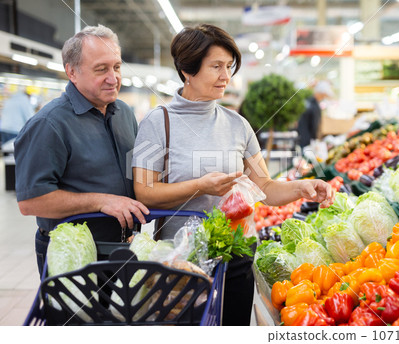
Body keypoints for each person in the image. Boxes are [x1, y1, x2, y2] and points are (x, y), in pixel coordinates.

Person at [132, 24, 335, 326]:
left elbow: (264, 185)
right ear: (187, 70)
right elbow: (144, 192)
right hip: (183, 260)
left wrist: (301, 187)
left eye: (228, 66)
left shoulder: (238, 124)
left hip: (236, 256)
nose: (226, 76)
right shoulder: (156, 123)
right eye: (216, 66)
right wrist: (201, 186)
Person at [14, 25, 149, 277]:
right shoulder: (49, 124)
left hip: (124, 248)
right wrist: (101, 201)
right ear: (72, 72)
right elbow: (31, 201)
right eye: (101, 69)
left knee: (122, 316)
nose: (113, 78)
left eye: (117, 67)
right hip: (72, 254)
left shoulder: (124, 114)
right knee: (75, 317)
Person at [297, 80, 334, 149]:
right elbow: (314, 125)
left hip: (302, 138)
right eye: (324, 95)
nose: (324, 97)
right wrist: (315, 141)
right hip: (306, 140)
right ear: (321, 93)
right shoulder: (314, 106)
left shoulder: (308, 102)